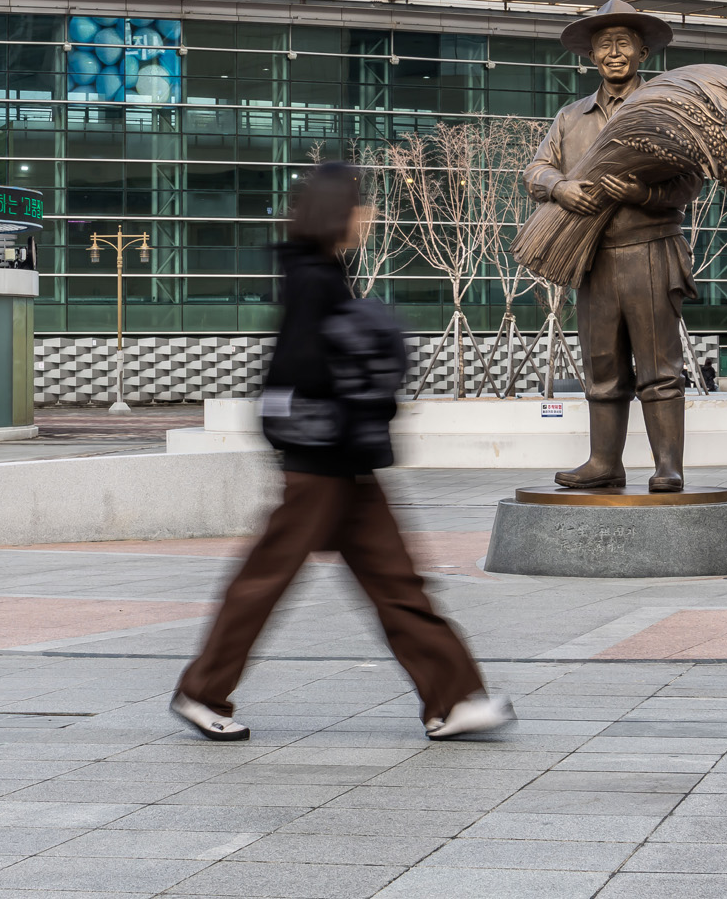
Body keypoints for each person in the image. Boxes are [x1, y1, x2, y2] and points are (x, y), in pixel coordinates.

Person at [171, 162, 514, 744]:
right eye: (362, 206)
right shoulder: (314, 278)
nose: (369, 216)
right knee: (269, 580)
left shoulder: (323, 272)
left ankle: (453, 700)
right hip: (322, 463)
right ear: (338, 213)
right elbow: (297, 372)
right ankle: (201, 692)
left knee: (396, 583)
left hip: (342, 460)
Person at [524, 1, 698, 492]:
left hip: (650, 250)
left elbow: (689, 181)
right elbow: (536, 169)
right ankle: (604, 462)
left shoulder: (666, 110)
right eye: (604, 45)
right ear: (592, 56)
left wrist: (642, 194)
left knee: (659, 366)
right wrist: (559, 188)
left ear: (642, 51)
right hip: (592, 256)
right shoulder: (570, 117)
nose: (614, 53)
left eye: (624, 44)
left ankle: (668, 465)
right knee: (602, 364)